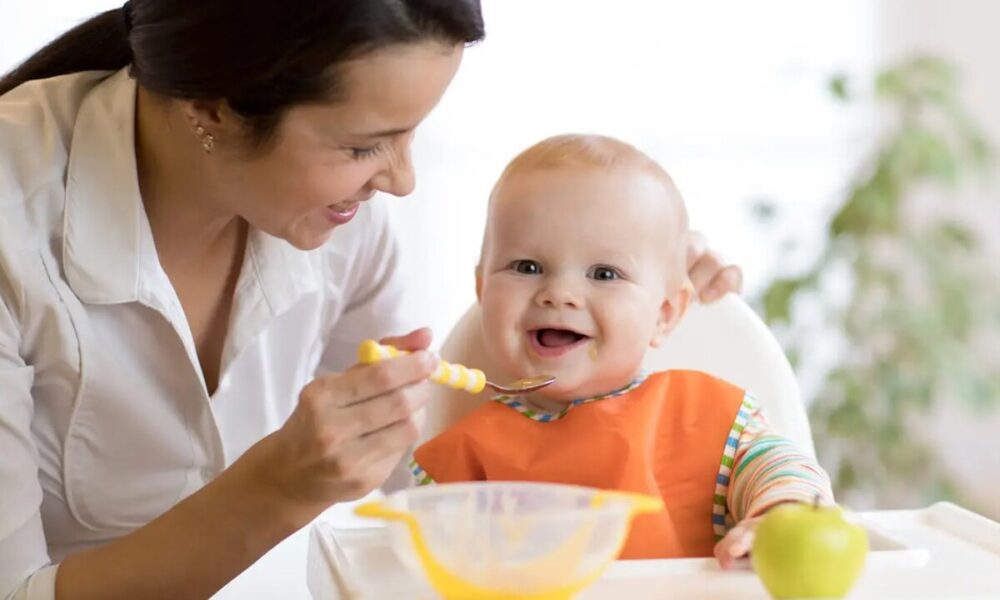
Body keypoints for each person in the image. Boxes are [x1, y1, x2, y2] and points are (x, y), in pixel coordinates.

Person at [0, 2, 742, 598]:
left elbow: (414, 473)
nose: (401, 181)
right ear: (212, 107)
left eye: (410, 135)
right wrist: (276, 488)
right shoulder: (14, 221)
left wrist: (625, 255)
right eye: (363, 146)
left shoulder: (341, 221)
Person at [411, 134, 833, 566]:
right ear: (483, 290)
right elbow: (421, 565)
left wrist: (781, 513)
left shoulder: (701, 415)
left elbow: (786, 470)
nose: (559, 293)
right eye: (527, 267)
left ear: (664, 313)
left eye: (604, 274)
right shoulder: (468, 454)